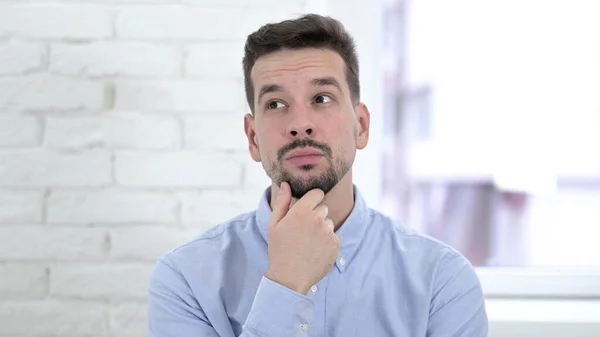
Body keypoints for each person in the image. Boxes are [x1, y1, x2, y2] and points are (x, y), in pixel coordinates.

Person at [148, 13, 488, 337]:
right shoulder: (185, 279)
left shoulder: (443, 281)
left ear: (362, 126)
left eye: (321, 98)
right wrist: (286, 281)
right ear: (253, 138)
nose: (300, 124)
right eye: (276, 104)